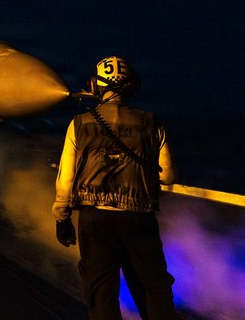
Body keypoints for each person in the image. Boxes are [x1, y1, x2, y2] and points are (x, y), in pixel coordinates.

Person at [51, 56, 180, 320]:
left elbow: (66, 179)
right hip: (139, 219)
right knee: (154, 288)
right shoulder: (151, 122)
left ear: (97, 86)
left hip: (95, 220)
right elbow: (168, 177)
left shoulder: (79, 124)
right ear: (131, 85)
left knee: (101, 294)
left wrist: (62, 219)